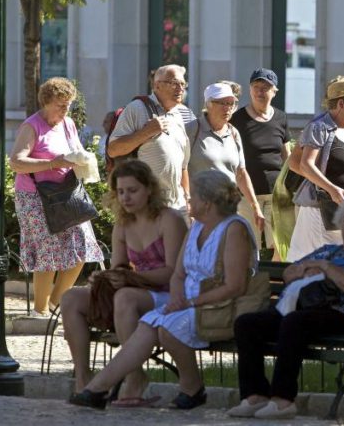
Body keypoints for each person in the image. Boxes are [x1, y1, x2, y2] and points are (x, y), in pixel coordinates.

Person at [68, 170, 258, 410]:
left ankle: (191, 387)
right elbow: (178, 274)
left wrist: (190, 302)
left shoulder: (234, 229)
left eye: (194, 198)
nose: (189, 202)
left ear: (207, 204)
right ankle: (96, 390)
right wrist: (178, 297)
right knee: (150, 323)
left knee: (167, 327)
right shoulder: (197, 227)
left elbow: (235, 286)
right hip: (190, 303)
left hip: (221, 306)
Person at [229, 195, 344, 419]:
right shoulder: (328, 250)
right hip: (304, 312)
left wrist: (326, 268)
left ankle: (283, 400)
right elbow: (289, 273)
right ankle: (254, 395)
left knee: (295, 322)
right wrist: (308, 270)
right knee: (247, 324)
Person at [60, 160, 187, 405]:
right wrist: (106, 277)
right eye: (120, 192)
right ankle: (83, 379)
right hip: (136, 291)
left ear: (149, 189)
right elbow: (119, 267)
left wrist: (131, 278)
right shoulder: (123, 224)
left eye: (132, 190)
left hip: (170, 293)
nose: (125, 198)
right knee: (71, 298)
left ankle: (135, 377)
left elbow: (174, 273)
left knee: (125, 297)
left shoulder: (169, 220)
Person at [9, 77, 104, 316]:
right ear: (46, 102)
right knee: (47, 253)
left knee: (82, 247)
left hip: (67, 194)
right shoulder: (32, 126)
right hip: (35, 197)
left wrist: (83, 160)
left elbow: (74, 153)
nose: (65, 109)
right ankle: (40, 312)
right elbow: (16, 162)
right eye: (61, 104)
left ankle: (55, 303)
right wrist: (54, 163)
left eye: (69, 104)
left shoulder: (68, 124)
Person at [286, 77, 344, 261]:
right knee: (315, 266)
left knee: (342, 264)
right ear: (341, 103)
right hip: (320, 210)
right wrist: (331, 189)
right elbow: (303, 164)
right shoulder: (319, 127)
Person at [107, 64, 191, 212]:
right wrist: (147, 132)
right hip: (148, 205)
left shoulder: (181, 114)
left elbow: (183, 166)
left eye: (183, 84)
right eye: (174, 83)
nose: (180, 88)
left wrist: (187, 198)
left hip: (178, 206)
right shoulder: (137, 108)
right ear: (157, 85)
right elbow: (113, 150)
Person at [186, 82, 264, 231]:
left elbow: (241, 173)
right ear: (208, 104)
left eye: (231, 103)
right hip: (201, 209)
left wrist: (255, 206)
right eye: (222, 103)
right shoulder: (191, 130)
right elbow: (180, 169)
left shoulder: (234, 133)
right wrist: (188, 203)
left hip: (228, 208)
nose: (228, 108)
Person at [231, 69, 292, 259]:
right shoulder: (237, 119)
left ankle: (274, 285)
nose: (259, 92)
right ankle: (249, 285)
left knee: (280, 245)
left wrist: (289, 188)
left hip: (275, 192)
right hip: (247, 194)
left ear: (274, 91)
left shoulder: (281, 118)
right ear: (250, 89)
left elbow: (287, 156)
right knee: (249, 246)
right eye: (256, 87)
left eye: (265, 88)